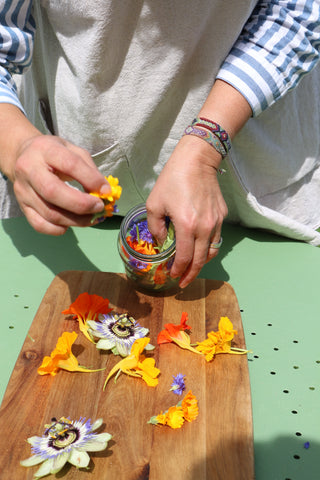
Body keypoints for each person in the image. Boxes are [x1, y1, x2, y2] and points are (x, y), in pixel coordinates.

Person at [0, 0, 320, 289]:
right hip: (65, 195)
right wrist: (18, 147)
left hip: (254, 186)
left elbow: (298, 13)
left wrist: (205, 146)